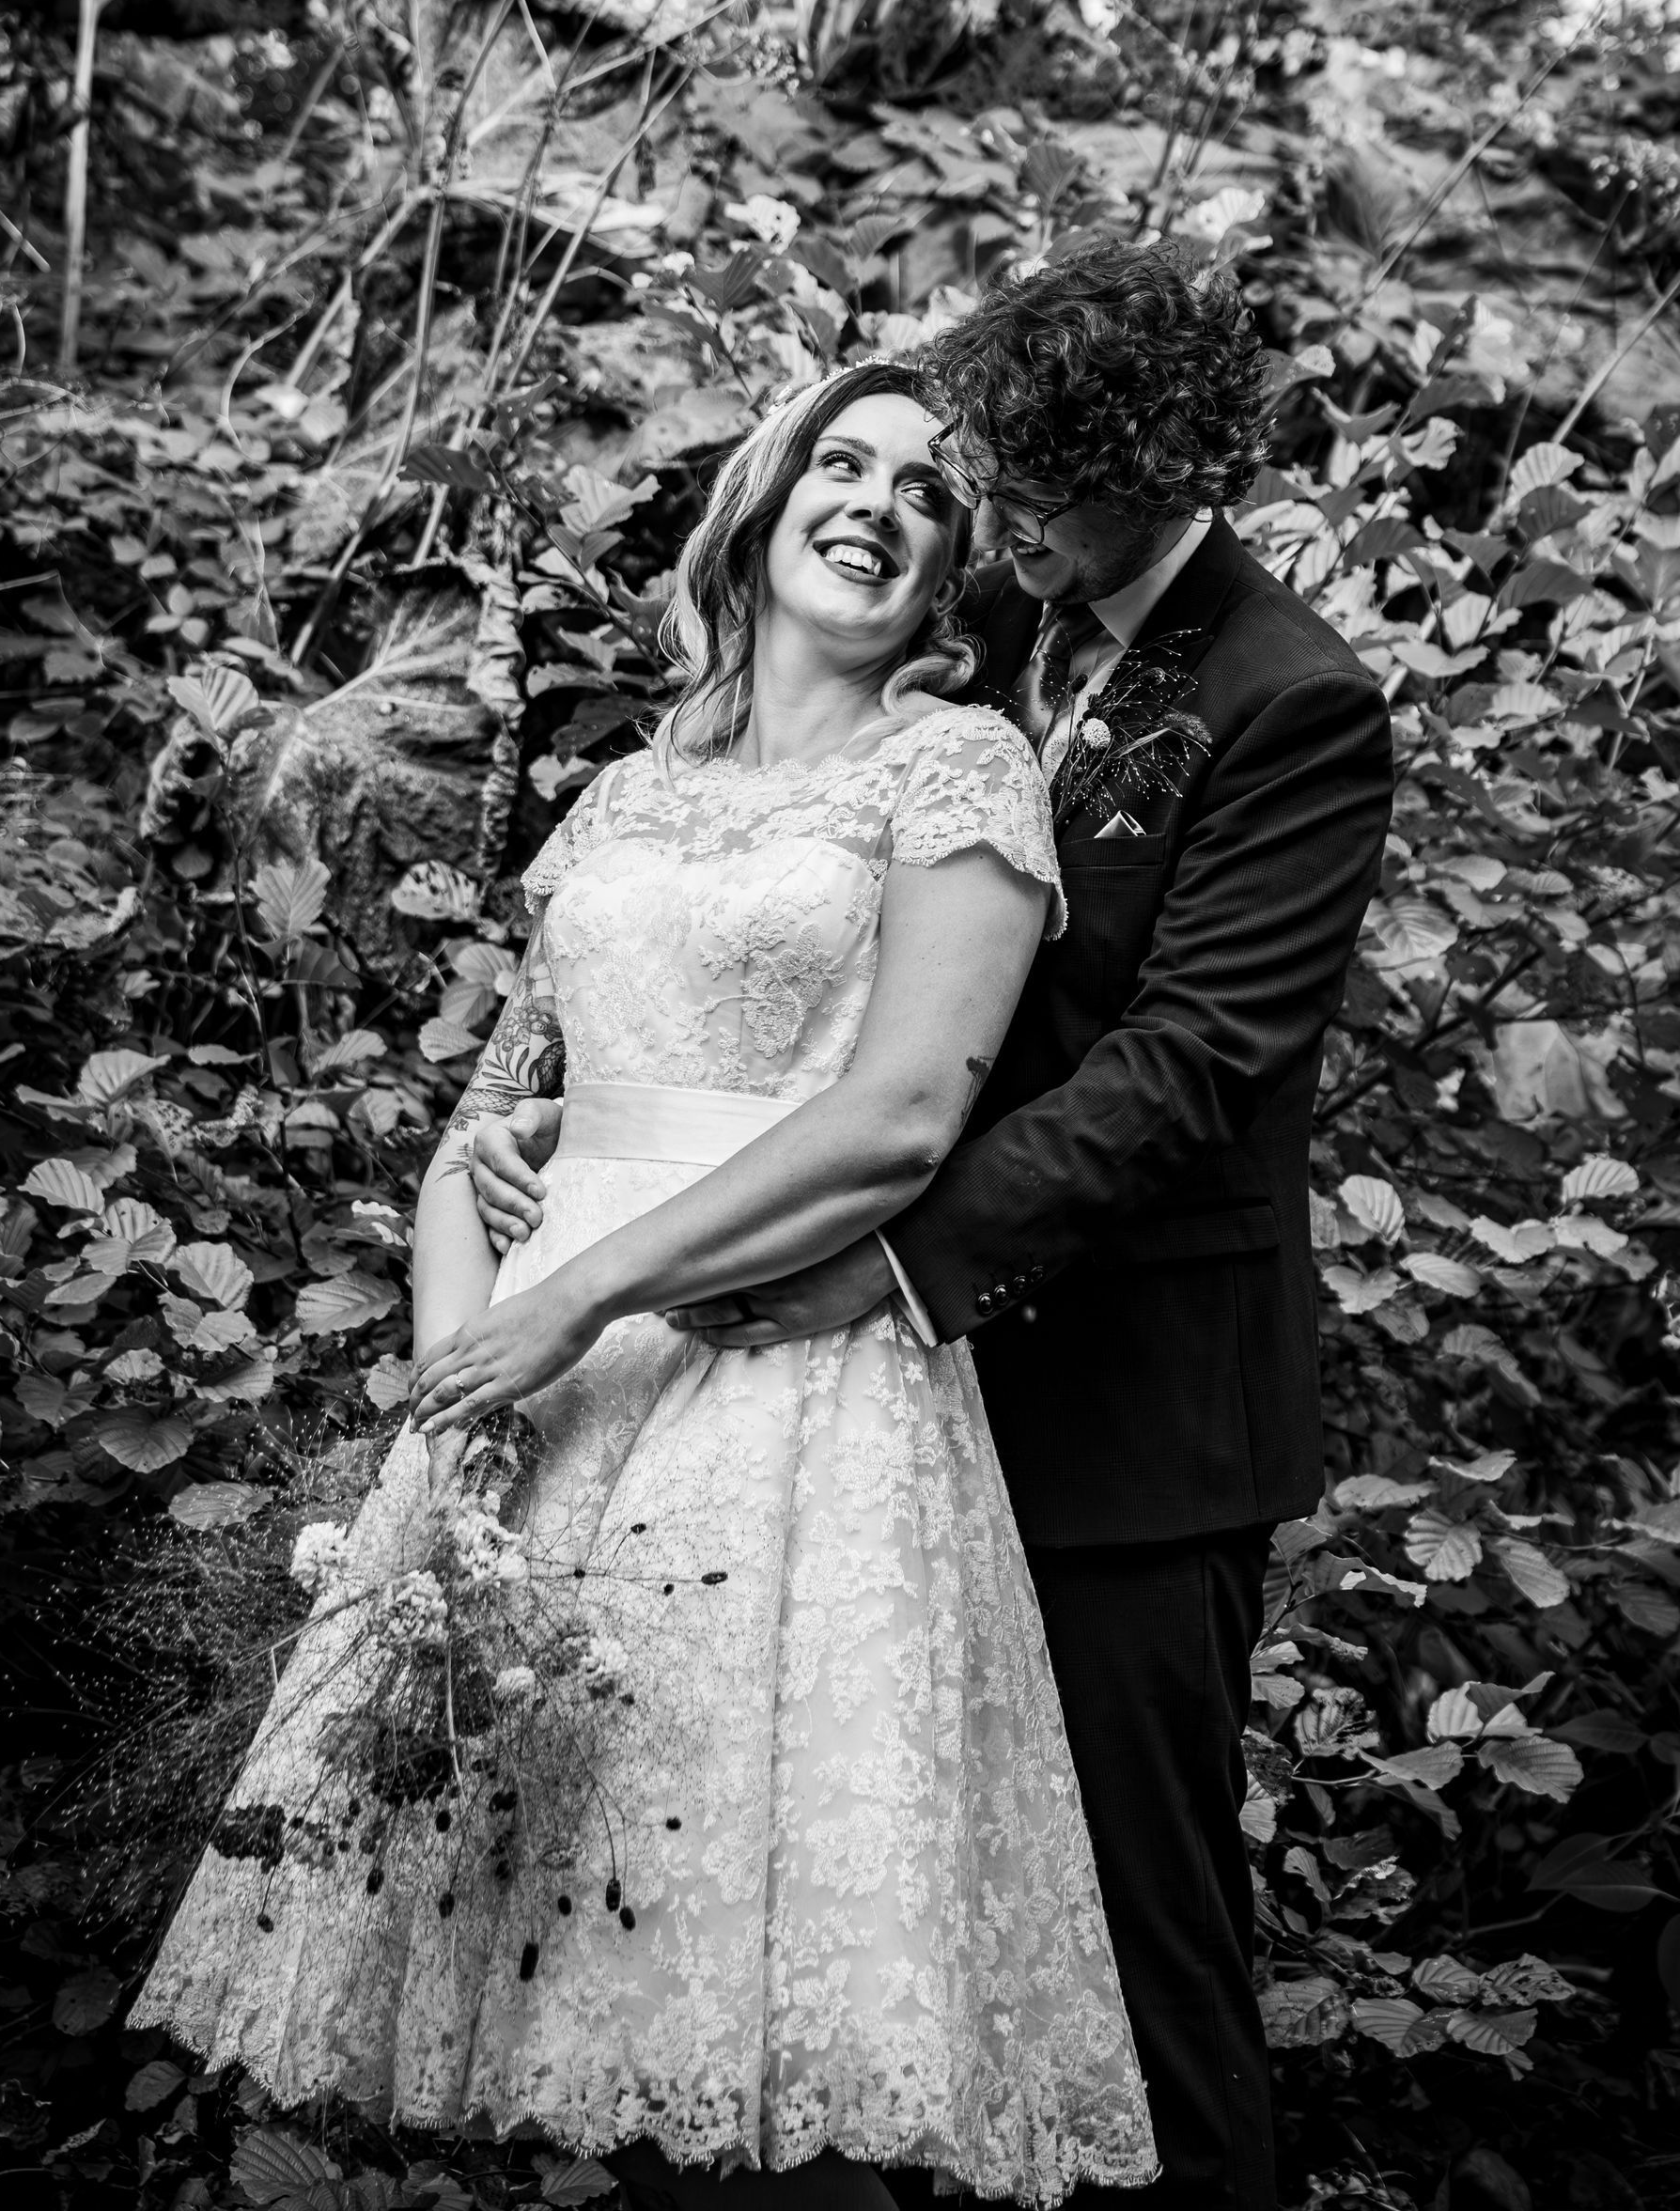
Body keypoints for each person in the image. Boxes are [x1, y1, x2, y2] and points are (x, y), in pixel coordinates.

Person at [130, 357, 1158, 2211]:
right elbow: (478, 1128)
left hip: (783, 1390)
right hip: (538, 1388)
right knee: (531, 2006)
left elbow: (901, 1116)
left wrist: (582, 1295)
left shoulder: (958, 768)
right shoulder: (618, 798)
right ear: (759, 517)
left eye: (928, 492)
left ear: (953, 573)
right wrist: (464, 1395)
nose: (878, 501)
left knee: (760, 2001)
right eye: (839, 463)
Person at [474, 242, 1396, 2211]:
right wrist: (618, 1106)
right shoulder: (982, 611)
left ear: (1165, 470)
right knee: (822, 1941)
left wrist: (887, 1258)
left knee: (1133, 1965)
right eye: (997, 486)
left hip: (1118, 1414)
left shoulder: (1290, 698)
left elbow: (1190, 1063)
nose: (1000, 531)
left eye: (1043, 501)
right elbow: (804, 899)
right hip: (837, 1429)